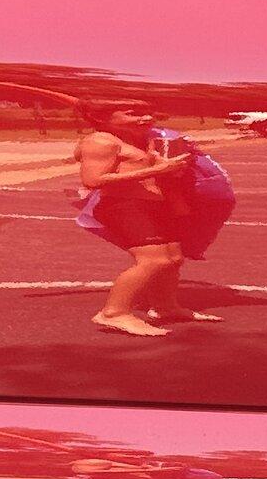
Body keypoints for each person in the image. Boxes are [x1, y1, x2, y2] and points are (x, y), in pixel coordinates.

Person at [73, 110, 213, 336]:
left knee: (174, 259)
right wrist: (157, 169)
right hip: (124, 206)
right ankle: (114, 313)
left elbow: (152, 170)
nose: (146, 117)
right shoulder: (100, 141)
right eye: (133, 113)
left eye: (148, 111)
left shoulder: (139, 140)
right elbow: (92, 180)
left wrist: (169, 170)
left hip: (154, 205)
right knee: (154, 261)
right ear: (105, 118)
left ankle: (165, 307)